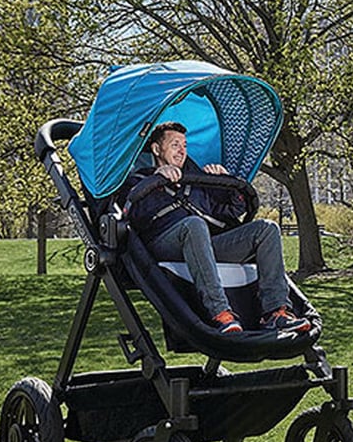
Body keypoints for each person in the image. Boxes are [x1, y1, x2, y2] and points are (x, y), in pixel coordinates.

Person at [123, 121, 310, 335]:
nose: (182, 150)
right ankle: (220, 313)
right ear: (156, 149)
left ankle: (276, 313)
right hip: (163, 243)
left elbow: (232, 210)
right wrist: (158, 178)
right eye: (175, 145)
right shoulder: (139, 180)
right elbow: (134, 216)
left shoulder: (196, 182)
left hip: (203, 242)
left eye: (184, 145)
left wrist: (223, 181)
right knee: (194, 224)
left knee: (266, 229)